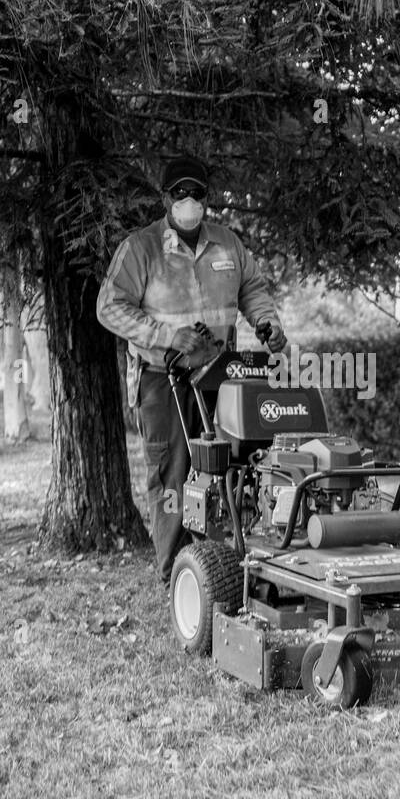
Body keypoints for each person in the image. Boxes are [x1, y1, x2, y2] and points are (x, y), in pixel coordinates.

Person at [97, 155, 288, 585]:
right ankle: (176, 574)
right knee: (173, 476)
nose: (189, 200)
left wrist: (268, 325)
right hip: (165, 380)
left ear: (207, 199)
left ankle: (235, 563)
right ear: (166, 198)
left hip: (225, 376)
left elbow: (253, 290)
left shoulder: (228, 244)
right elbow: (109, 307)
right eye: (179, 192)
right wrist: (167, 335)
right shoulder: (141, 247)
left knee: (237, 468)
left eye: (196, 193)